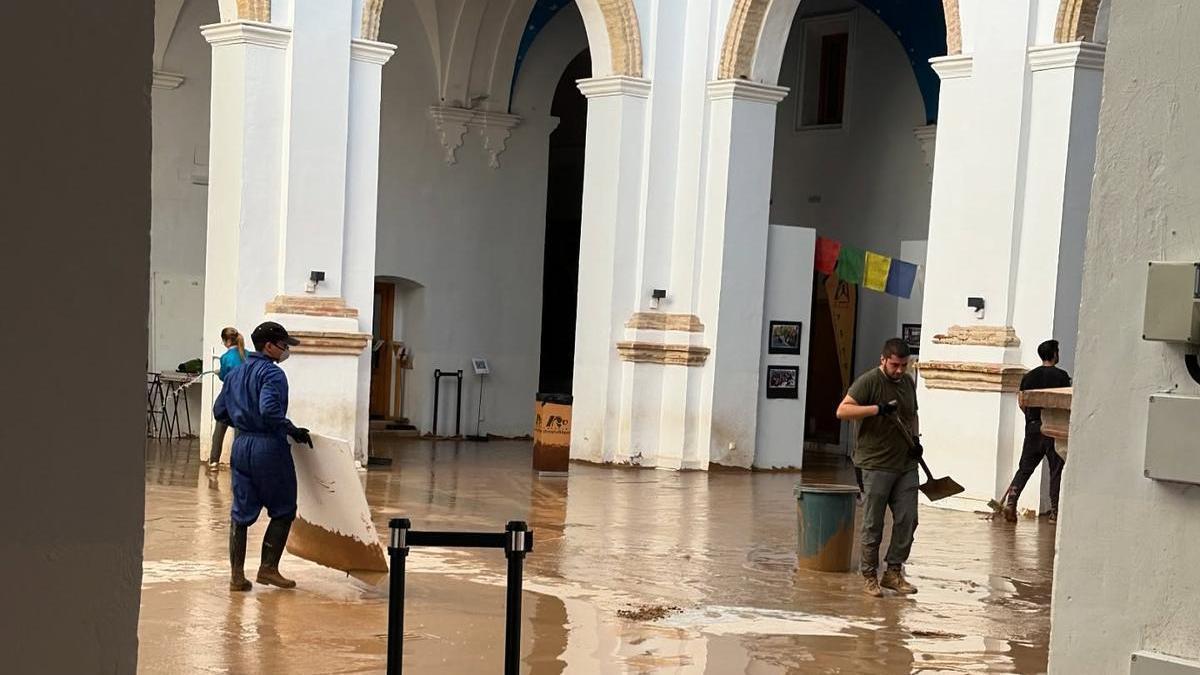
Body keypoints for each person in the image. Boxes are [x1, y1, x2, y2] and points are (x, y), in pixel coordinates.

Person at [214, 321, 313, 592]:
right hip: (268, 447)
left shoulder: (235, 373)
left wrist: (244, 422)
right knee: (283, 510)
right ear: (269, 346)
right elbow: (270, 411)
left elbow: (219, 411)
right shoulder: (273, 375)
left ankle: (236, 576)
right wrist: (292, 430)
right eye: (283, 346)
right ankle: (268, 569)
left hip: (241, 445)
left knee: (241, 512)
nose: (285, 351)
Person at [836, 338, 921, 598]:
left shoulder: (907, 382)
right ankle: (869, 575)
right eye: (895, 365)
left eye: (904, 365)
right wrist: (876, 409)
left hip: (905, 462)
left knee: (908, 518)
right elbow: (842, 411)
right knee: (873, 523)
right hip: (874, 463)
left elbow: (912, 413)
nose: (899, 370)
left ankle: (893, 572)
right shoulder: (868, 381)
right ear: (883, 359)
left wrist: (916, 440)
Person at [1003, 339, 1072, 523]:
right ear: (1054, 354)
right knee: (1056, 470)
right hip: (1053, 429)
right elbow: (1067, 402)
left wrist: (1032, 419)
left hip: (1033, 428)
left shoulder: (1029, 376)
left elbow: (1022, 402)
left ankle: (1011, 502)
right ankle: (1055, 513)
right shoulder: (1062, 376)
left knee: (1024, 469)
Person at [208, 327, 247, 471]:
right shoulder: (247, 354)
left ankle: (214, 461)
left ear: (227, 341)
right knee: (239, 430)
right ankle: (237, 463)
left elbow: (225, 376)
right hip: (244, 398)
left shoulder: (225, 357)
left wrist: (218, 373)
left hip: (229, 396)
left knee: (220, 424)